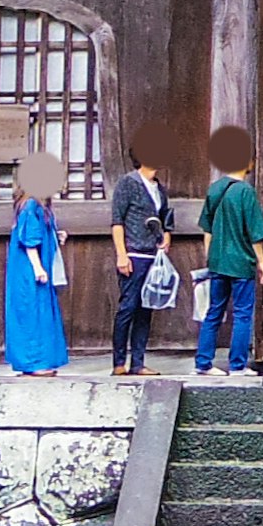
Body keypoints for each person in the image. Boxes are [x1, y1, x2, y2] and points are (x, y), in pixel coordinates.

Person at [193, 135, 263, 375]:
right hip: (241, 261)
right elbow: (255, 232)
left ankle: (203, 363)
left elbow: (207, 228)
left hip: (218, 261)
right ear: (249, 163)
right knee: (243, 314)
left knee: (214, 311)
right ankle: (237, 365)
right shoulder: (246, 192)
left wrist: (210, 256)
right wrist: (262, 263)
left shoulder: (215, 189)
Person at [106, 140, 172, 375]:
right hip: (133, 253)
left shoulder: (159, 188)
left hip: (153, 255)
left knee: (146, 309)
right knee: (128, 307)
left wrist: (166, 236)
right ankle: (119, 362)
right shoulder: (128, 183)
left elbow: (165, 219)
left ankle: (138, 362)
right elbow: (117, 221)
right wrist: (121, 254)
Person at [2, 151, 69, 374]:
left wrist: (56, 237)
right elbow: (29, 241)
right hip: (30, 270)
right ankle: (33, 362)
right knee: (32, 312)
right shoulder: (30, 205)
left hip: (35, 266)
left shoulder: (39, 206)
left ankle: (41, 360)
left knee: (39, 312)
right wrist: (38, 268)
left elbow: (39, 235)